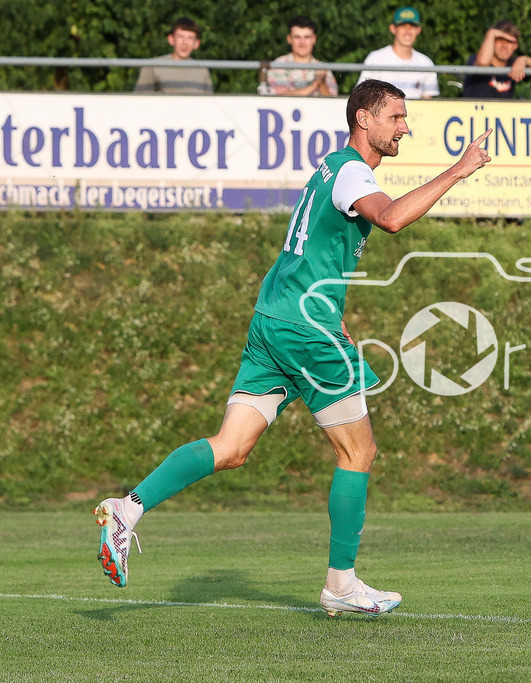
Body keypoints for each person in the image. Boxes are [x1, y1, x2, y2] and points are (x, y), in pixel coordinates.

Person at [93, 79, 492, 617]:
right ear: (363, 120)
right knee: (359, 452)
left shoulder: (331, 166)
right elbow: (393, 218)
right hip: (304, 328)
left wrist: (334, 311)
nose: (405, 127)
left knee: (231, 447)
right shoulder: (353, 171)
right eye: (396, 117)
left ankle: (129, 507)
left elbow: (313, 250)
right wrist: (459, 169)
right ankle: (341, 586)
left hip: (273, 319)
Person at [357, 7, 439, 100]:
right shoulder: (375, 58)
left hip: (416, 114)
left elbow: (427, 101)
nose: (408, 31)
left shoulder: (426, 63)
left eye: (412, 26)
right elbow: (363, 95)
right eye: (403, 26)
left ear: (418, 30)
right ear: (393, 28)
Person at [462, 20, 531, 99]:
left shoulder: (513, 64)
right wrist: (491, 33)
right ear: (492, 42)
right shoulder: (475, 59)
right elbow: (483, 62)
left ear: (515, 46)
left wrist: (524, 59)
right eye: (500, 40)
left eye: (509, 41)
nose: (504, 46)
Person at [259, 16, 338, 97]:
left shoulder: (323, 69)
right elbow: (279, 98)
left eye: (307, 37)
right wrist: (314, 85)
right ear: (289, 39)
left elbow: (332, 102)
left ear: (314, 39)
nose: (302, 42)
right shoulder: (278, 66)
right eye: (297, 37)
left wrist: (322, 83)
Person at [134, 17, 213, 95]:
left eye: (190, 38)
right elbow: (139, 100)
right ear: (171, 39)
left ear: (196, 43)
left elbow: (209, 103)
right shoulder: (153, 66)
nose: (185, 42)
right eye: (180, 36)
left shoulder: (202, 70)